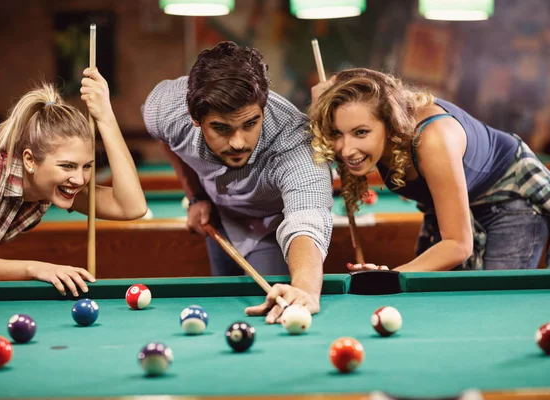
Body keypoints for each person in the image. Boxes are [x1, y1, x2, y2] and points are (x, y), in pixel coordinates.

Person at [141, 41, 333, 322]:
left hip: (271, 226)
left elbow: (307, 218)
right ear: (196, 118)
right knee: (224, 311)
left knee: (265, 308)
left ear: (263, 109)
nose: (238, 142)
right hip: (220, 218)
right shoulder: (168, 110)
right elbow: (164, 137)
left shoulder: (295, 142)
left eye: (249, 124)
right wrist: (195, 196)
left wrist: (304, 289)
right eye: (221, 128)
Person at [309, 68, 550, 271]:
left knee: (494, 306)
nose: (347, 149)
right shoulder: (367, 119)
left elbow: (458, 245)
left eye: (361, 132)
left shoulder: (432, 140)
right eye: (337, 133)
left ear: (390, 123)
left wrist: (387, 277)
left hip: (509, 194)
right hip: (462, 203)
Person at [0, 68, 147, 295]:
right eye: (67, 166)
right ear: (30, 160)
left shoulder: (47, 186)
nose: (79, 179)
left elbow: (132, 207)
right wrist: (36, 268)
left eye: (87, 166)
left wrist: (106, 118)